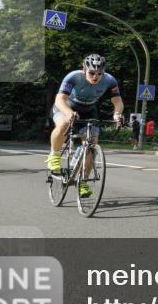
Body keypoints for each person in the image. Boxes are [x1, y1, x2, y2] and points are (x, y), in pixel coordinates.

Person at [47, 54, 124, 197]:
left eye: (99, 73)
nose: (95, 76)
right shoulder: (73, 77)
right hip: (65, 107)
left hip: (89, 110)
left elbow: (117, 102)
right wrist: (69, 112)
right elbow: (59, 99)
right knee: (64, 123)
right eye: (92, 73)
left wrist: (117, 114)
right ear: (84, 69)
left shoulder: (110, 80)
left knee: (91, 145)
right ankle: (54, 155)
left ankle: (83, 181)